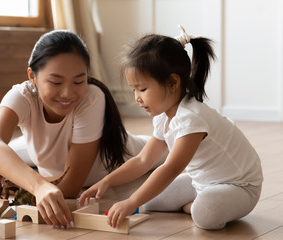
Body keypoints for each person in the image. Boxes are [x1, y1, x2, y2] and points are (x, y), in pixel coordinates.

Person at [79, 26, 263, 230]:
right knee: (150, 201)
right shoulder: (163, 117)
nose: (137, 98)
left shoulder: (191, 119)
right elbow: (142, 160)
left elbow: (171, 168)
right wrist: (107, 181)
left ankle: (195, 207)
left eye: (142, 89)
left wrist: (131, 202)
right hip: (201, 183)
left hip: (240, 187)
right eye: (134, 89)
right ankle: (194, 204)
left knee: (203, 214)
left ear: (173, 82)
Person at [0, 29, 158, 229]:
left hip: (129, 150)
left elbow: (69, 188)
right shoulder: (22, 95)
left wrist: (1, 185)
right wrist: (39, 185)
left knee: (170, 148)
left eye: (78, 81)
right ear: (32, 76)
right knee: (6, 155)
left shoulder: (92, 97)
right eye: (55, 82)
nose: (68, 93)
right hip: (47, 156)